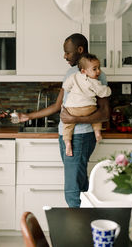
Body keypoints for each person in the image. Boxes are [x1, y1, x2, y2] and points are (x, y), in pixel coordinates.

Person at [16, 33, 110, 208]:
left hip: (81, 136)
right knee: (79, 182)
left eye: (68, 52)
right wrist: (28, 116)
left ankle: (76, 229)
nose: (65, 56)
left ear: (80, 50)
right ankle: (86, 225)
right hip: (66, 134)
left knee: (72, 188)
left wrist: (74, 118)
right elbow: (59, 105)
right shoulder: (70, 72)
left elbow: (104, 113)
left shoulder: (97, 74)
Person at [62, 53, 111, 156]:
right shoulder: (94, 82)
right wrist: (108, 90)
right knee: (96, 117)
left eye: (98, 68)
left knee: (67, 126)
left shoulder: (73, 76)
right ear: (84, 71)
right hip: (88, 108)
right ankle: (97, 132)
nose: (98, 71)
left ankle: (67, 143)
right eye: (95, 69)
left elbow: (66, 86)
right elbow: (103, 92)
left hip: (72, 109)